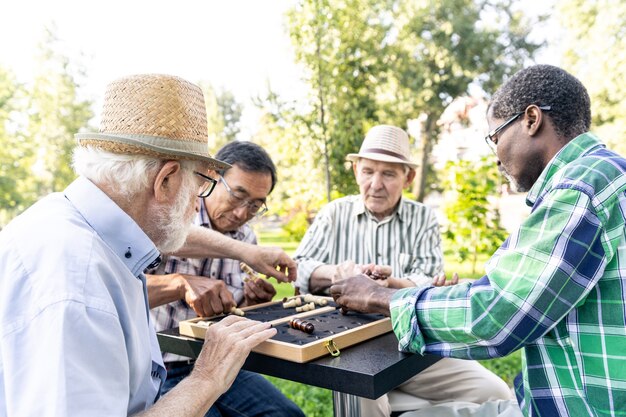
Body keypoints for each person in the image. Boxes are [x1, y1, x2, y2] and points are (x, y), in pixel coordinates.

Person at [330, 64, 626, 417]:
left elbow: (497, 314)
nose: (495, 155)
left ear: (531, 119)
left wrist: (377, 295)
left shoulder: (581, 188)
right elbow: (523, 291)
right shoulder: (604, 175)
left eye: (495, 136)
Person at [0, 74, 278, 416]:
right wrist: (207, 377)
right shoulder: (78, 280)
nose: (196, 204)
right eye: (201, 183)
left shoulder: (84, 233)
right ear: (165, 180)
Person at [294, 124, 512, 417]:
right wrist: (337, 274)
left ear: (407, 178)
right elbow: (299, 267)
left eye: (388, 174)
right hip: (350, 348)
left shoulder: (422, 218)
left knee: (494, 393)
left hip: (412, 342)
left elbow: (430, 276)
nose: (375, 184)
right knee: (363, 398)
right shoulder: (335, 213)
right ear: (356, 170)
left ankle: (400, 405)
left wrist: (388, 285)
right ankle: (392, 403)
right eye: (368, 171)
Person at [146, 140, 303, 417]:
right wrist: (180, 284)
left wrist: (251, 301)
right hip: (161, 366)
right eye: (237, 196)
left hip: (222, 363)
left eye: (255, 205)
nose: (243, 213)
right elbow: (128, 289)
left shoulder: (246, 236)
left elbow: (231, 309)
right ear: (213, 177)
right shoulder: (176, 212)